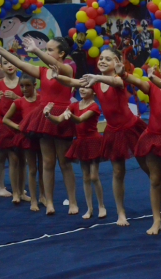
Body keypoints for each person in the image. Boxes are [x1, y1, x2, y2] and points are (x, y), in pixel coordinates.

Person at [0, 36, 79, 215]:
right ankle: (49, 202)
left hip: (61, 115)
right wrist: (1, 51)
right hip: (44, 115)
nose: (46, 52)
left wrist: (36, 50)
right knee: (48, 162)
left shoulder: (67, 69)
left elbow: (56, 66)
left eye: (50, 50)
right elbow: (21, 65)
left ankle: (73, 201)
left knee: (64, 162)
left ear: (61, 54)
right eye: (46, 49)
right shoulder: (42, 71)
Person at [81, 47, 161, 227]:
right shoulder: (95, 81)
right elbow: (72, 82)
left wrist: (97, 77)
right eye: (101, 59)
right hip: (113, 131)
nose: (102, 61)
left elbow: (117, 83)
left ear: (116, 62)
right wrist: (57, 73)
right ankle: (121, 212)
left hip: (131, 128)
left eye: (108, 59)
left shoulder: (117, 79)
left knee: (147, 168)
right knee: (117, 172)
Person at [112, 50, 161, 234]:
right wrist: (122, 73)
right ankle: (156, 220)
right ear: (159, 67)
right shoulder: (151, 86)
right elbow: (138, 82)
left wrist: (152, 77)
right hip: (153, 137)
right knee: (155, 180)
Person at [43, 65, 106, 219]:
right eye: (80, 87)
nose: (82, 90)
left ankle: (101, 206)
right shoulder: (74, 105)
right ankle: (89, 208)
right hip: (81, 142)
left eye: (87, 87)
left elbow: (79, 120)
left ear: (94, 90)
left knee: (94, 176)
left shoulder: (94, 106)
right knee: (85, 177)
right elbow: (58, 120)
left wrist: (69, 116)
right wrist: (48, 115)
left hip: (93, 142)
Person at [0, 54, 28, 203]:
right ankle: (0, 186)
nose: (9, 65)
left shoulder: (23, 83)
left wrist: (17, 96)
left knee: (18, 159)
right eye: (5, 63)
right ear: (1, 67)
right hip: (2, 124)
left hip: (18, 124)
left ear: (17, 64)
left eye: (11, 62)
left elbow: (28, 103)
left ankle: (19, 188)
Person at [3, 72, 46, 211]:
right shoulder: (19, 102)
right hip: (28, 138)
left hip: (42, 136)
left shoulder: (41, 98)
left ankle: (43, 196)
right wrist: (19, 127)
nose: (24, 89)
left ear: (35, 85)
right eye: (22, 86)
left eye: (28, 85)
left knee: (43, 168)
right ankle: (33, 199)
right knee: (32, 169)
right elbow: (5, 119)